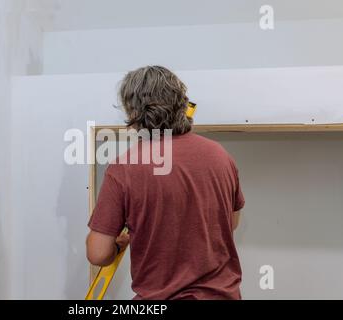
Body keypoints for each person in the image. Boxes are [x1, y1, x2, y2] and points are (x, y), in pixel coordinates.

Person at [86, 66, 245, 300]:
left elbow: (98, 253)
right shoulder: (220, 156)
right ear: (181, 104)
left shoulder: (125, 167)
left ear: (133, 112)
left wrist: (120, 244)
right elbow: (230, 222)